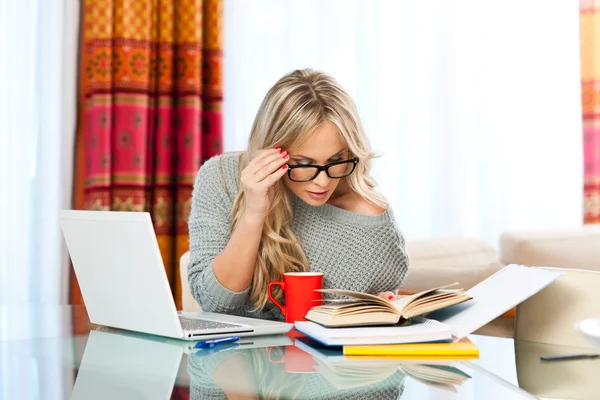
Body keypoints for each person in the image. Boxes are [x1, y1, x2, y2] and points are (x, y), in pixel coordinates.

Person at [188, 69, 409, 320]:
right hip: (229, 356)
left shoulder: (371, 223)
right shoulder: (222, 178)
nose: (323, 181)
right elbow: (215, 303)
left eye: (336, 160)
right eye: (304, 163)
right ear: (272, 150)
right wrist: (254, 213)